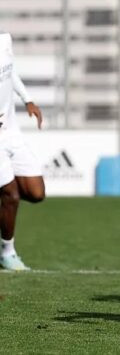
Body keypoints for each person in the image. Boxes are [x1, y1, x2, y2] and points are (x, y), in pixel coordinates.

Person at [0, 30, 46, 271]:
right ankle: (7, 252)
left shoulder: (5, 39)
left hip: (11, 132)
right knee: (11, 195)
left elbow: (9, 71)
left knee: (36, 192)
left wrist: (27, 99)